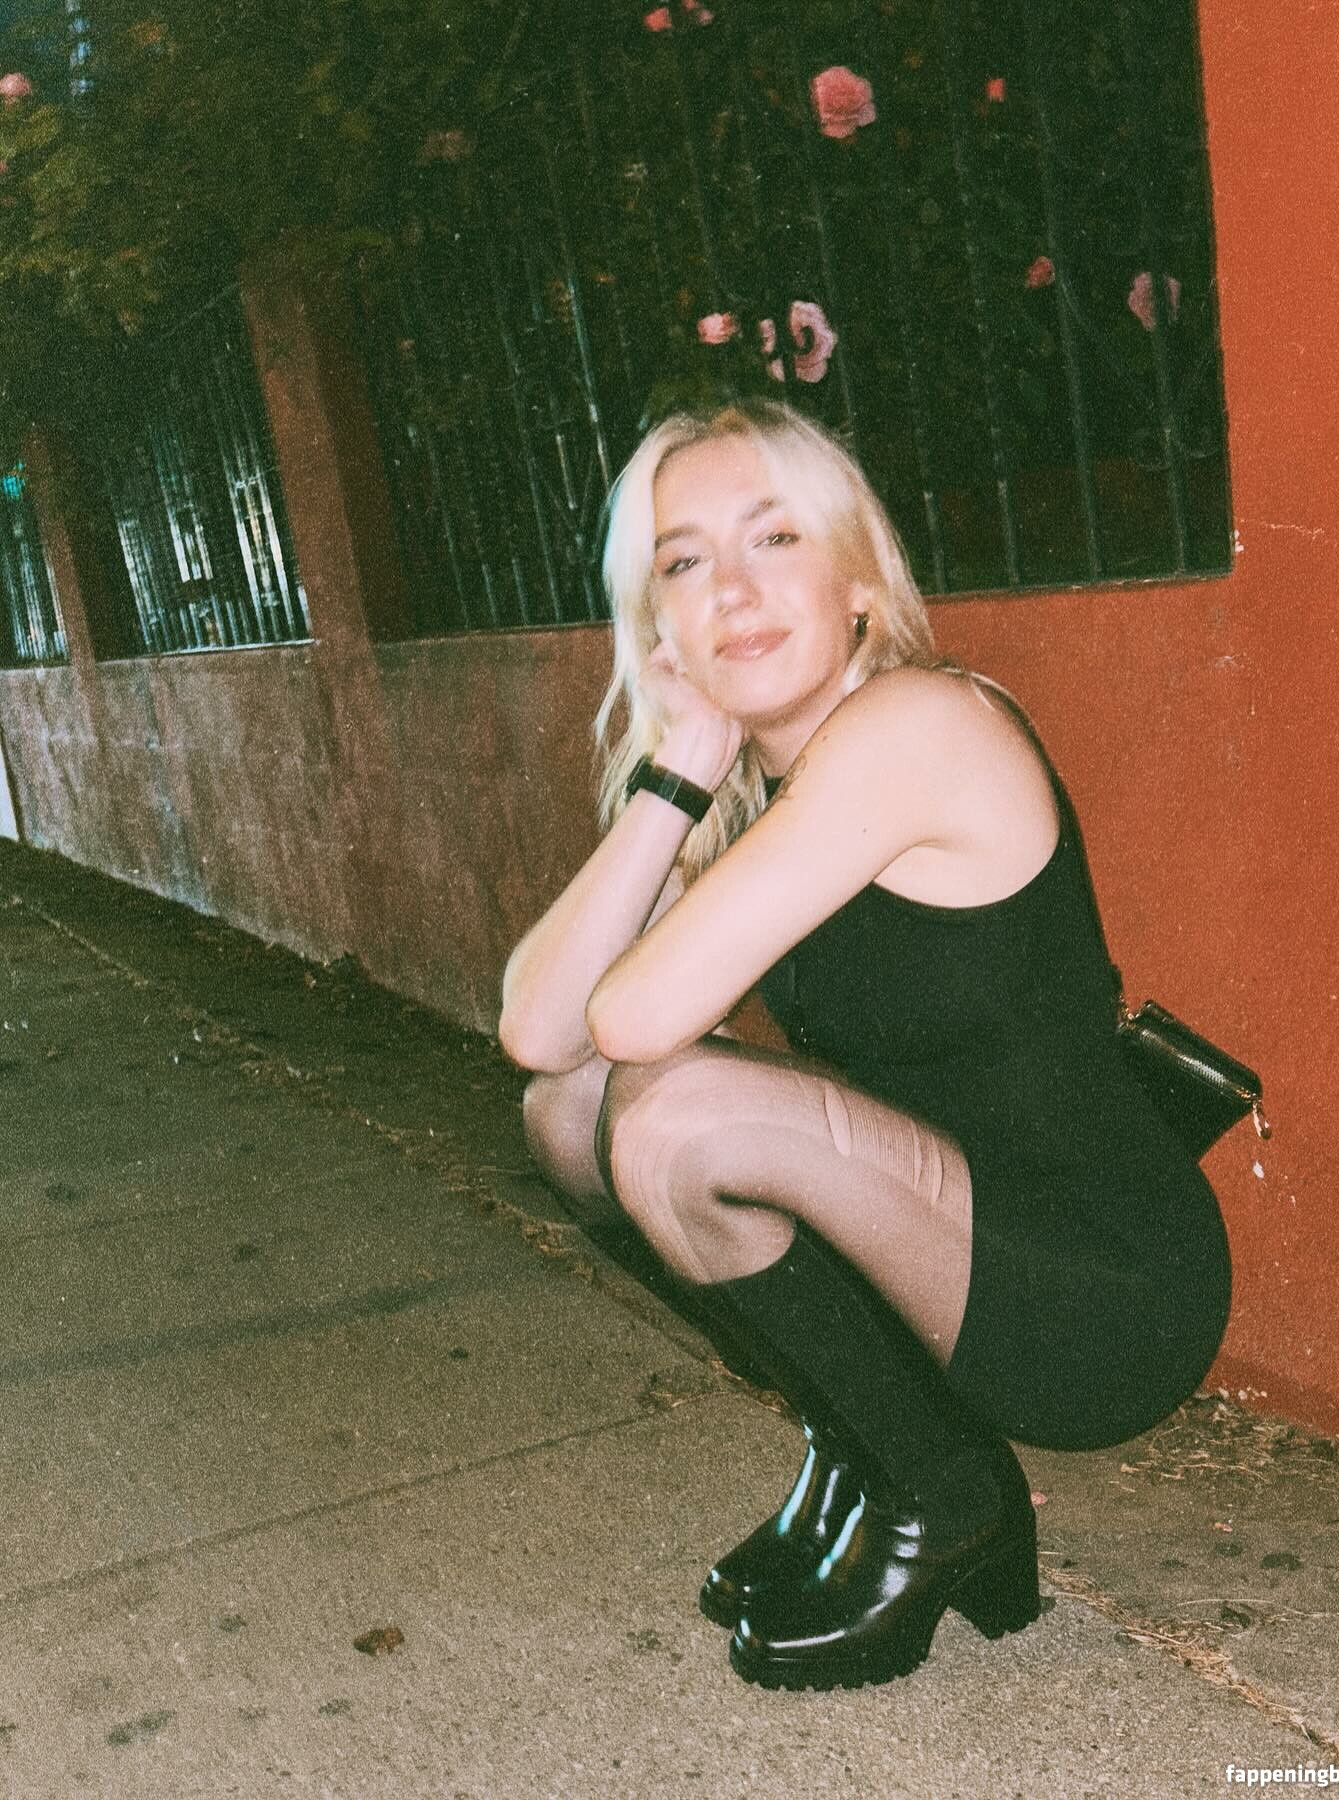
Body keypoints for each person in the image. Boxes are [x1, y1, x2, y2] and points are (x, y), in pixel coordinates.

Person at [498, 397, 1231, 1693]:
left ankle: (945, 1496)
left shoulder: (918, 727)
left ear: (857, 580)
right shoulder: (756, 788)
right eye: (683, 561)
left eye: (774, 537)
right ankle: (866, 1444)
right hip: (943, 1242)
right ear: (657, 621)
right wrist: (681, 765)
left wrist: (691, 775)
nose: (731, 589)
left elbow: (634, 1020)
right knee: (569, 1113)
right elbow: (542, 1033)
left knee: (674, 1119)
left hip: (1099, 1284)